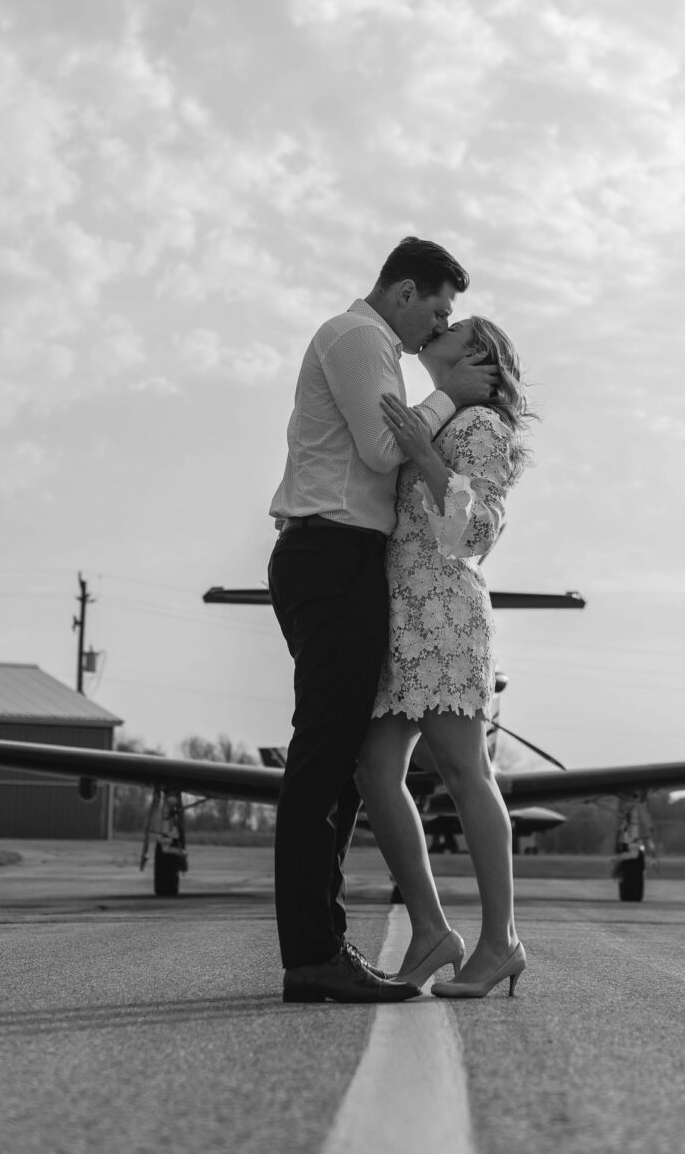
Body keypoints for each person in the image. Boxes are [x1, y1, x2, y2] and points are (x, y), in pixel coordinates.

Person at [267, 237, 498, 1004]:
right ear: (403, 292)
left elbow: (453, 503)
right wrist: (451, 395)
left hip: (347, 562)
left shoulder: (379, 351)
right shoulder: (362, 337)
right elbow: (376, 448)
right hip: (332, 556)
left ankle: (320, 948)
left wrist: (449, 405)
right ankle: (314, 951)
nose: (437, 326)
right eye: (435, 308)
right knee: (328, 762)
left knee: (340, 763)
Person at [355, 315, 535, 999]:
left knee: (466, 773)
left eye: (453, 327)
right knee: (373, 770)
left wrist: (425, 457)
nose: (437, 328)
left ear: (478, 354)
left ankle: (502, 942)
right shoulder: (445, 415)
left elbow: (476, 533)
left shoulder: (486, 427)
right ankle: (431, 931)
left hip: (448, 615)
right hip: (402, 617)